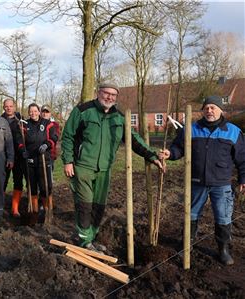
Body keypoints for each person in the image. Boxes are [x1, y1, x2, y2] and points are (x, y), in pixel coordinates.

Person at [61, 83, 163, 252]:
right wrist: (68, 161)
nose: (109, 97)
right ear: (98, 92)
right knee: (84, 204)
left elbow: (134, 139)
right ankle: (84, 241)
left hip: (105, 168)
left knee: (98, 206)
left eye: (113, 95)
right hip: (83, 166)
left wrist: (152, 156)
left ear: (116, 98)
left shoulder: (119, 117)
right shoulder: (83, 110)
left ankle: (91, 238)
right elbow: (68, 136)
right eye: (106, 93)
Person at [159, 95, 245, 265]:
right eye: (206, 108)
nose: (209, 110)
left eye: (213, 107)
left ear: (221, 110)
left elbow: (242, 158)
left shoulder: (233, 131)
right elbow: (178, 148)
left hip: (221, 184)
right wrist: (170, 154)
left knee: (223, 217)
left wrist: (243, 178)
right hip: (196, 182)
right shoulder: (191, 129)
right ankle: (187, 246)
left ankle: (223, 250)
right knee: (190, 215)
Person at [19, 103, 58, 223]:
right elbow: (20, 140)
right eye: (31, 111)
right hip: (30, 161)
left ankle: (47, 211)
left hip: (43, 159)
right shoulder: (25, 125)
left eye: (35, 111)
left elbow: (54, 137)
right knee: (32, 187)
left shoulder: (47, 124)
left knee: (45, 187)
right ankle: (34, 213)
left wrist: (47, 144)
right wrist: (22, 150)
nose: (33, 113)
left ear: (39, 112)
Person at [1, 98, 25, 217]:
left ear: (14, 107)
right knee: (2, 181)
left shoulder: (21, 120)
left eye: (11, 106)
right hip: (3, 155)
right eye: (6, 106)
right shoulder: (0, 120)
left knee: (18, 180)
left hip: (19, 156)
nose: (9, 108)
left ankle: (15, 208)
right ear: (3, 107)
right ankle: (0, 205)